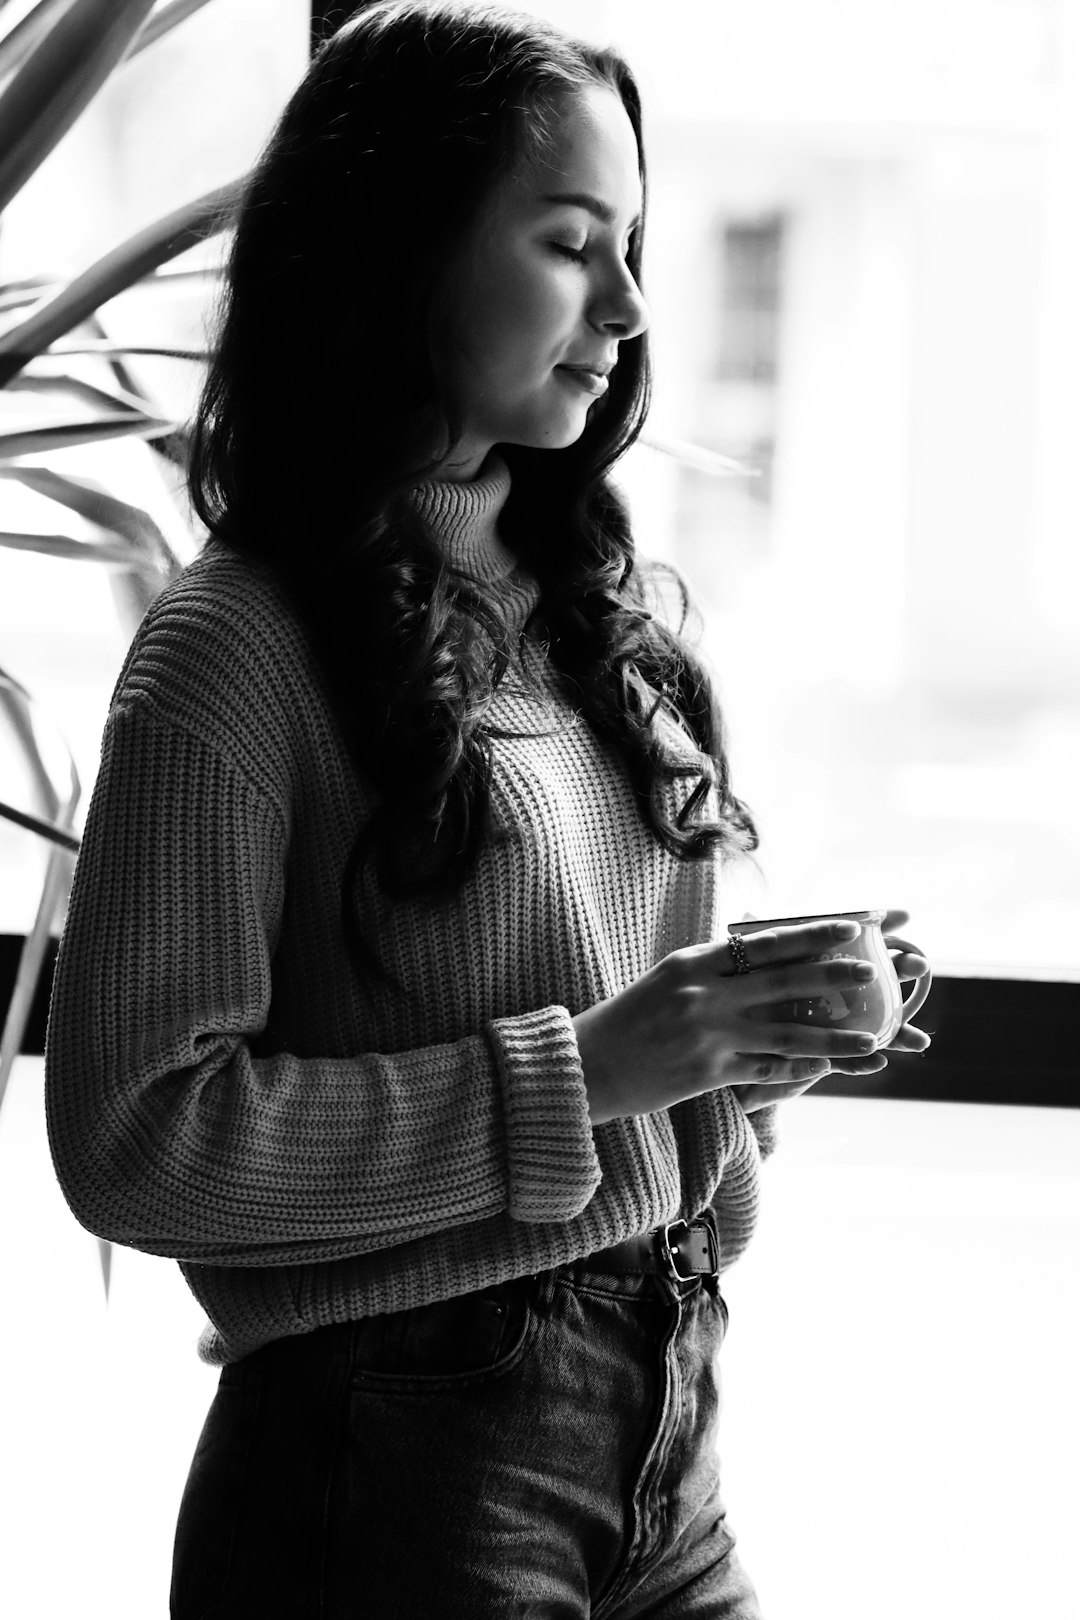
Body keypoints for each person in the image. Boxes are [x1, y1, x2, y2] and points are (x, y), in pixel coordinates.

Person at [44, 3, 931, 1615]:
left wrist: (749, 1042)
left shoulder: (626, 631)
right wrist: (595, 1068)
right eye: (570, 241)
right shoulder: (234, 646)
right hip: (389, 1477)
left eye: (635, 243)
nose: (631, 304)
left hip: (666, 1429)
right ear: (401, 255)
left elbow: (680, 1156)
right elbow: (133, 1141)